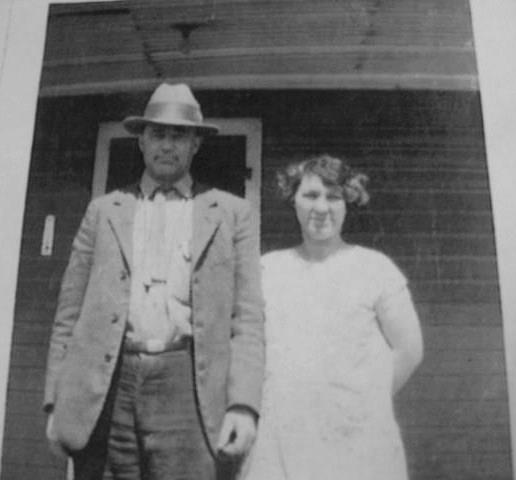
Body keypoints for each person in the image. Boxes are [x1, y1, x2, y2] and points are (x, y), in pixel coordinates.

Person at [43, 83, 265, 480]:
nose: (167, 145)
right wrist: (54, 401)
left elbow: (247, 319)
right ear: (141, 141)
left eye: (179, 135)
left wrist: (243, 405)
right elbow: (68, 315)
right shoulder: (103, 211)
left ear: (196, 144)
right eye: (158, 134)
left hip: (188, 387)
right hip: (108, 386)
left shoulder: (232, 214)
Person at [242, 154, 423, 480]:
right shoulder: (269, 269)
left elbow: (409, 350)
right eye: (310, 195)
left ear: (348, 202)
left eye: (333, 197)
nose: (321, 208)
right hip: (284, 434)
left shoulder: (374, 268)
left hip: (357, 437)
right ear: (293, 200)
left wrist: (364, 399)